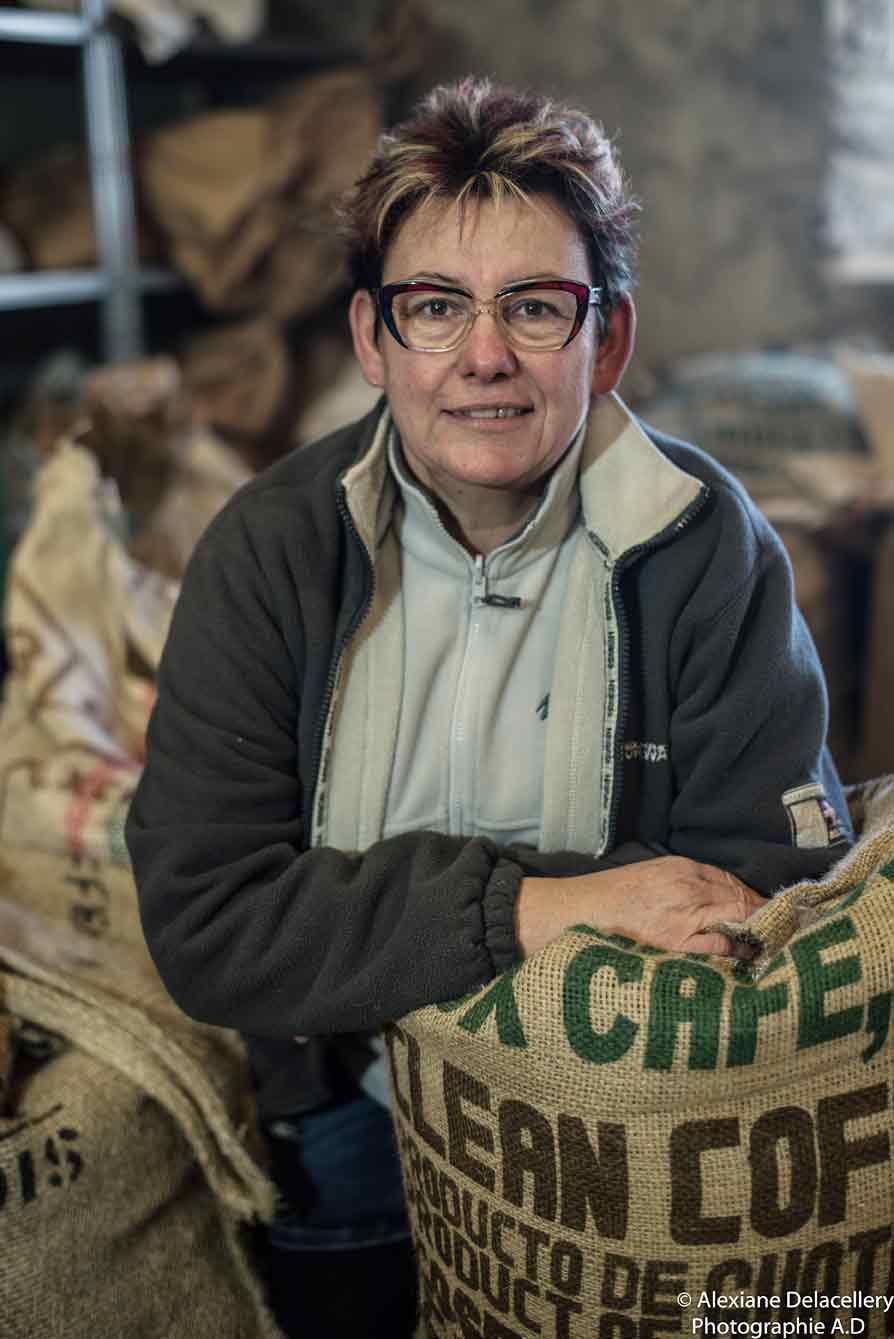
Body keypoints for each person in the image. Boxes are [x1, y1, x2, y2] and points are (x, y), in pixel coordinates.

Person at [125, 77, 852, 1339]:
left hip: (607, 1136)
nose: (483, 356)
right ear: (371, 339)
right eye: (434, 307)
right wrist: (549, 903)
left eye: (533, 306)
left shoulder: (705, 548)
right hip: (345, 1110)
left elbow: (763, 895)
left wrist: (368, 926)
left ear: (605, 339)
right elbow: (207, 918)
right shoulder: (269, 553)